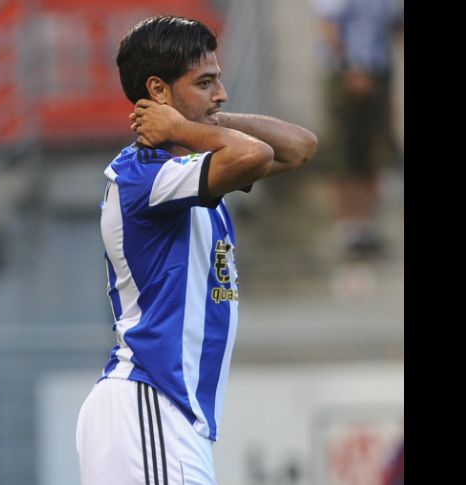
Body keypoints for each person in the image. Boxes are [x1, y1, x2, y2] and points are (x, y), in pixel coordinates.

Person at [75, 15, 318, 485]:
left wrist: (198, 121)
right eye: (205, 83)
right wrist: (192, 127)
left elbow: (299, 147)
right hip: (149, 403)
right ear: (158, 91)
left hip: (165, 416)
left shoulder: (192, 164)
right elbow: (256, 154)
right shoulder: (143, 176)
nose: (221, 94)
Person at [311, 0, 404, 258]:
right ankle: (347, 226)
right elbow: (330, 26)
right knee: (343, 151)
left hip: (378, 71)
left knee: (374, 151)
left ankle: (366, 226)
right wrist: (351, 68)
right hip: (345, 75)